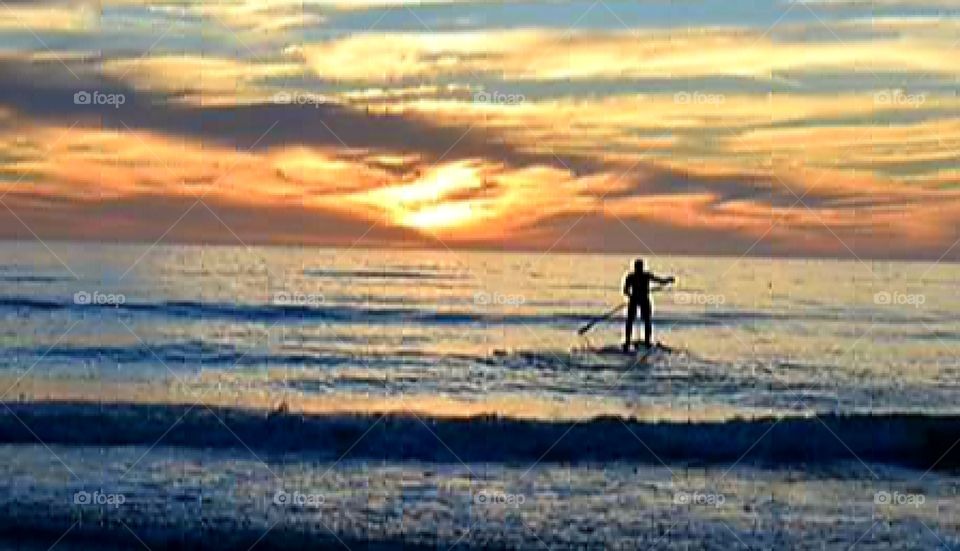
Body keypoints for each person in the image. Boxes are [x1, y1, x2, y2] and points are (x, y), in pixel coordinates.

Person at [623, 258, 675, 351]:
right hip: (634, 300)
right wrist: (631, 296)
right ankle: (627, 341)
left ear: (642, 267)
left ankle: (647, 341)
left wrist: (668, 280)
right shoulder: (630, 277)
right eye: (637, 267)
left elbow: (659, 281)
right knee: (630, 321)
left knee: (647, 321)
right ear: (635, 267)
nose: (638, 269)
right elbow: (625, 290)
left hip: (643, 300)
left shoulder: (646, 276)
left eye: (640, 267)